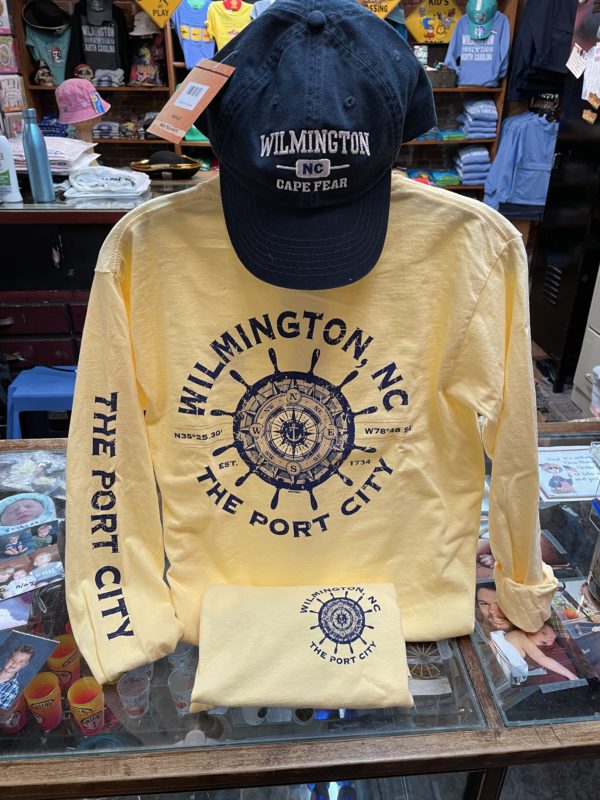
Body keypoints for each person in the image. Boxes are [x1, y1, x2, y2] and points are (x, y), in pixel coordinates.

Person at [505, 623, 578, 683]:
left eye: (553, 640)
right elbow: (541, 658)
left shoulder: (518, 636)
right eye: (543, 633)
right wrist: (571, 676)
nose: (549, 638)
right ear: (531, 628)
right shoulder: (518, 636)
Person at [0, 645, 34, 710]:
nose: (14, 664)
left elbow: (2, 711)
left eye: (21, 662)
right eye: (13, 659)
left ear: (24, 665)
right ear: (7, 659)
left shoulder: (14, 688)